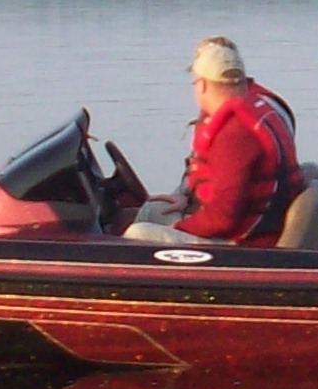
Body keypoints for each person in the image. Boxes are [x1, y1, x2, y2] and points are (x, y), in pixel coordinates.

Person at [121, 36, 305, 245]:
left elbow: (222, 219)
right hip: (262, 228)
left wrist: (177, 229)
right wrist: (188, 199)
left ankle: (120, 277)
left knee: (138, 234)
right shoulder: (260, 111)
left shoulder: (234, 134)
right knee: (154, 210)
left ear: (203, 85)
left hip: (245, 245)